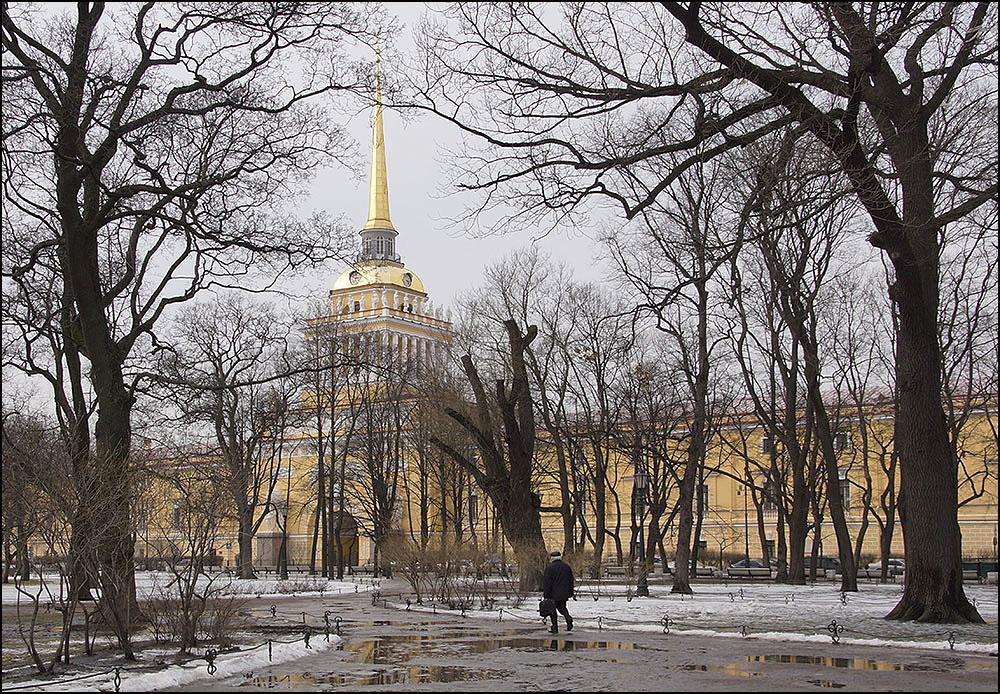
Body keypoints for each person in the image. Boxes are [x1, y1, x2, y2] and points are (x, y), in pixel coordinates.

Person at [542, 550, 574, 634]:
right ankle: (568, 619)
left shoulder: (550, 568)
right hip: (564, 593)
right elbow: (571, 580)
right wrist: (570, 592)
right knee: (562, 608)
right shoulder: (566, 567)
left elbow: (547, 582)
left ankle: (555, 627)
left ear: (552, 558)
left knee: (553, 611)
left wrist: (546, 594)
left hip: (553, 593)